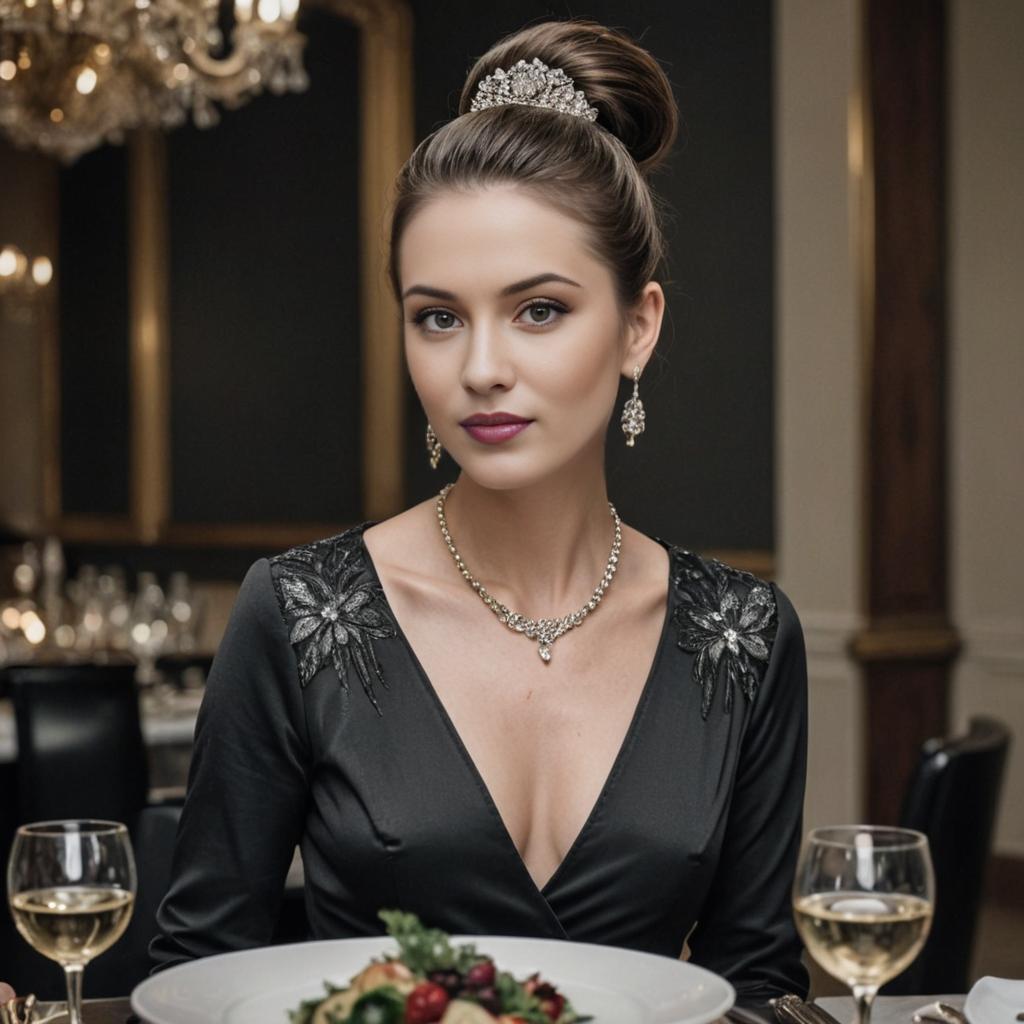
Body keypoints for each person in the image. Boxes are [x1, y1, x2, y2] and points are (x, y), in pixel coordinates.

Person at [145, 17, 809, 1008]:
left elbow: (754, 983)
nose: (480, 368)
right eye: (437, 316)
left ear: (637, 326)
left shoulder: (745, 637)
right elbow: (195, 982)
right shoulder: (295, 614)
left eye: (538, 308)